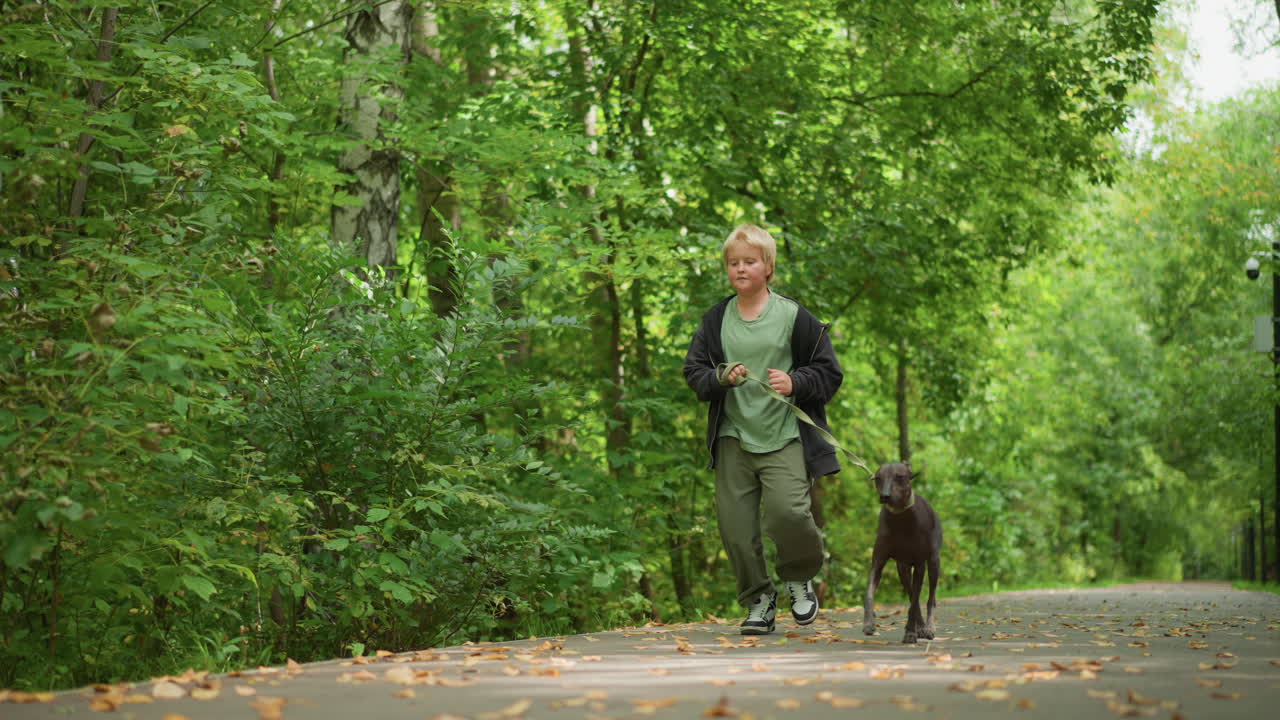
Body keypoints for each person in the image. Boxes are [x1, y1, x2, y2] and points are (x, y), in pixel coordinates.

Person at [683, 223, 843, 635]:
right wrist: (721, 376)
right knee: (735, 527)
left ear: (768, 267)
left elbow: (828, 372)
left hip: (785, 435)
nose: (740, 269)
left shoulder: (794, 316)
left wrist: (796, 383)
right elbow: (694, 372)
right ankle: (758, 599)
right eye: (733, 263)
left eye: (749, 262)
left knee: (789, 514)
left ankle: (798, 577)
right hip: (734, 436)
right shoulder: (716, 318)